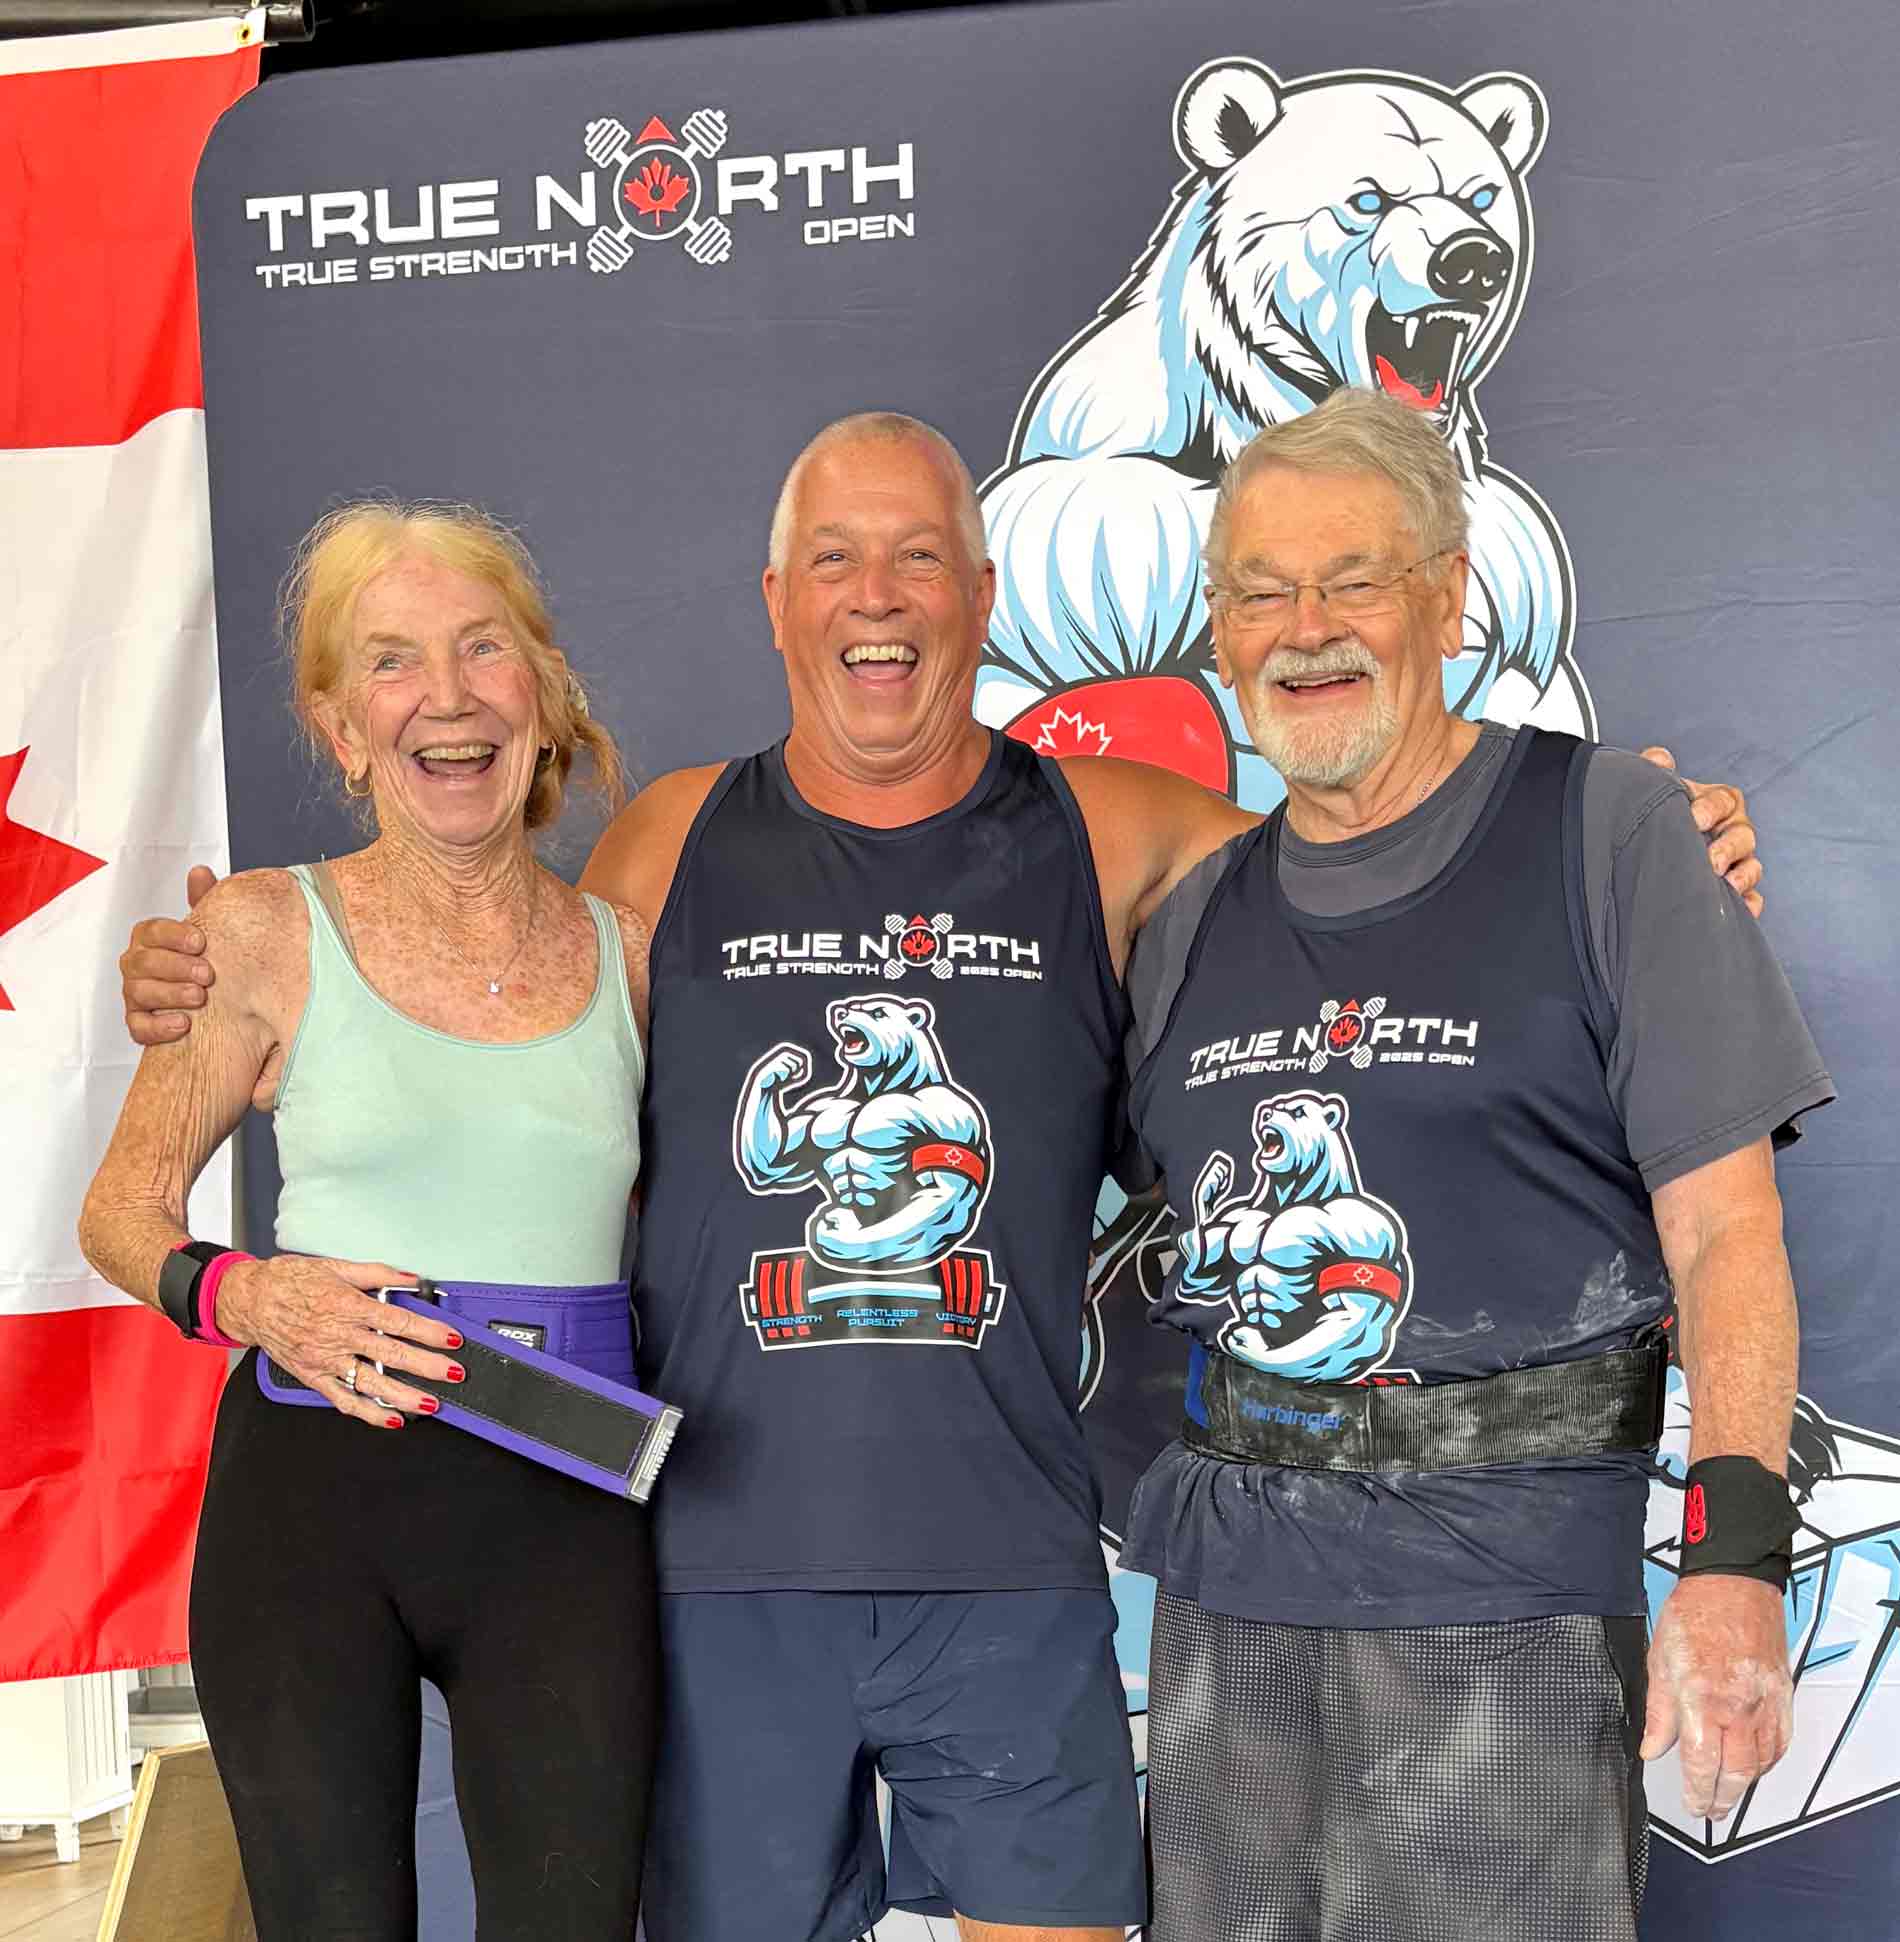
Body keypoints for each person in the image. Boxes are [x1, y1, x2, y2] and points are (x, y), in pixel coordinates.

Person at [117, 413, 1765, 1942]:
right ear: (776, 600)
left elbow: (1371, 851)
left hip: (1015, 1567)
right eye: (834, 558)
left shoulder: (1123, 831)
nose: (877, 596)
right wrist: (215, 980)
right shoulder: (667, 846)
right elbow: (508, 1049)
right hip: (717, 1574)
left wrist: (1639, 842)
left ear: (982, 594)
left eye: (918, 557)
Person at [1117, 386, 1832, 1942]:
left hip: (1508, 1613)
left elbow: (1726, 1234)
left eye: (1352, 579)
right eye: (1260, 591)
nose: (1307, 628)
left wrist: (1735, 1561)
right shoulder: (1189, 928)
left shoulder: (1612, 835)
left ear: (1448, 595)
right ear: (1218, 635)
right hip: (1229, 1628)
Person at [82, 503, 659, 1940]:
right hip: (309, 1510)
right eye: (393, 662)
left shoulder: (635, 959)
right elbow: (119, 1211)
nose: (447, 697)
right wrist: (249, 1294)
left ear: (546, 692)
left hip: (563, 1511)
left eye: (483, 649)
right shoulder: (258, 931)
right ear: (341, 729)